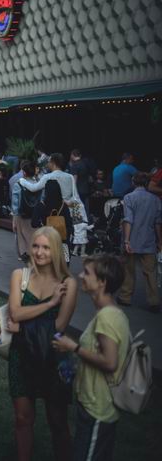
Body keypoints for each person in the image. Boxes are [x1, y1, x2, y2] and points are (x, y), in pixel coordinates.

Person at [7, 227, 77, 461]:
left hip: (54, 358)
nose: (39, 252)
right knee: (22, 418)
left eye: (46, 247)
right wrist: (49, 304)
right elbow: (15, 313)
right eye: (36, 246)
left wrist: (22, 323)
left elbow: (59, 326)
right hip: (21, 356)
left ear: (56, 250)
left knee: (57, 420)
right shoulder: (20, 275)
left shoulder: (68, 283)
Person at [51, 255, 131, 461]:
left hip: (98, 408)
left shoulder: (108, 317)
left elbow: (110, 362)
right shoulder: (105, 313)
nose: (80, 276)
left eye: (87, 273)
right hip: (91, 404)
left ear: (102, 282)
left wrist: (74, 347)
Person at [117, 172, 162, 312]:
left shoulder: (129, 197)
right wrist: (160, 241)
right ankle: (154, 301)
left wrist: (126, 240)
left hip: (132, 239)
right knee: (151, 272)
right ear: (147, 182)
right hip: (149, 240)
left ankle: (125, 297)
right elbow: (158, 223)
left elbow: (128, 220)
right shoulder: (155, 200)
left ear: (133, 182)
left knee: (128, 270)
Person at [32, 180, 73, 261]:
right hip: (62, 240)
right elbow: (69, 224)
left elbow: (33, 223)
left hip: (46, 240)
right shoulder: (63, 206)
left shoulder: (41, 205)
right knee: (62, 265)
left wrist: (42, 225)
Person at [12, 161, 39, 262]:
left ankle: (27, 260)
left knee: (23, 239)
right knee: (34, 237)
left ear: (24, 172)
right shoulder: (38, 184)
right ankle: (35, 257)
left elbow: (15, 203)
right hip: (35, 214)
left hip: (22, 214)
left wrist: (14, 217)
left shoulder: (18, 184)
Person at [69, 150, 91, 216]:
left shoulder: (74, 165)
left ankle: (80, 223)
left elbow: (74, 180)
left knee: (78, 208)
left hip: (78, 190)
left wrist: (73, 191)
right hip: (86, 189)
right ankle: (88, 222)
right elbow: (89, 178)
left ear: (72, 155)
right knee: (86, 207)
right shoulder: (85, 164)